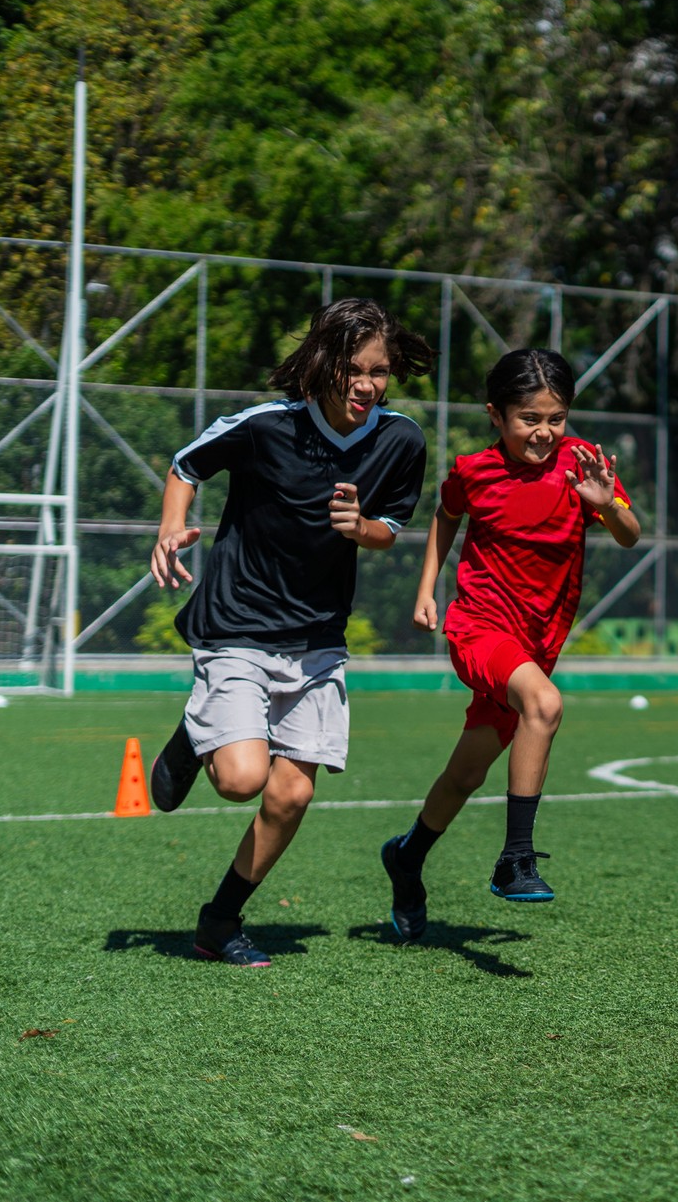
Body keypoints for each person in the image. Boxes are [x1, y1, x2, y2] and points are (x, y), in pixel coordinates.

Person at [145, 299, 434, 967]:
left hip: (317, 638)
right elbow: (185, 465)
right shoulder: (266, 426)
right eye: (356, 369)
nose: (368, 384)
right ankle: (195, 733)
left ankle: (220, 921)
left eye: (381, 371)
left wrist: (360, 530)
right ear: (324, 362)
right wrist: (170, 527)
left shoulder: (401, 441)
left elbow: (390, 528)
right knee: (243, 778)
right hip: (238, 624)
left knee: (294, 791)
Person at [382, 348, 642, 941]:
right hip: (479, 626)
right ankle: (515, 859)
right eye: (530, 418)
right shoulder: (474, 470)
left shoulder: (583, 464)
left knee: (465, 774)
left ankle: (407, 855)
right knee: (544, 704)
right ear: (496, 415)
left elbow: (630, 535)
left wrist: (606, 508)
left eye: (556, 417)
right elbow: (446, 515)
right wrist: (428, 588)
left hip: (538, 641)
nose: (545, 432)